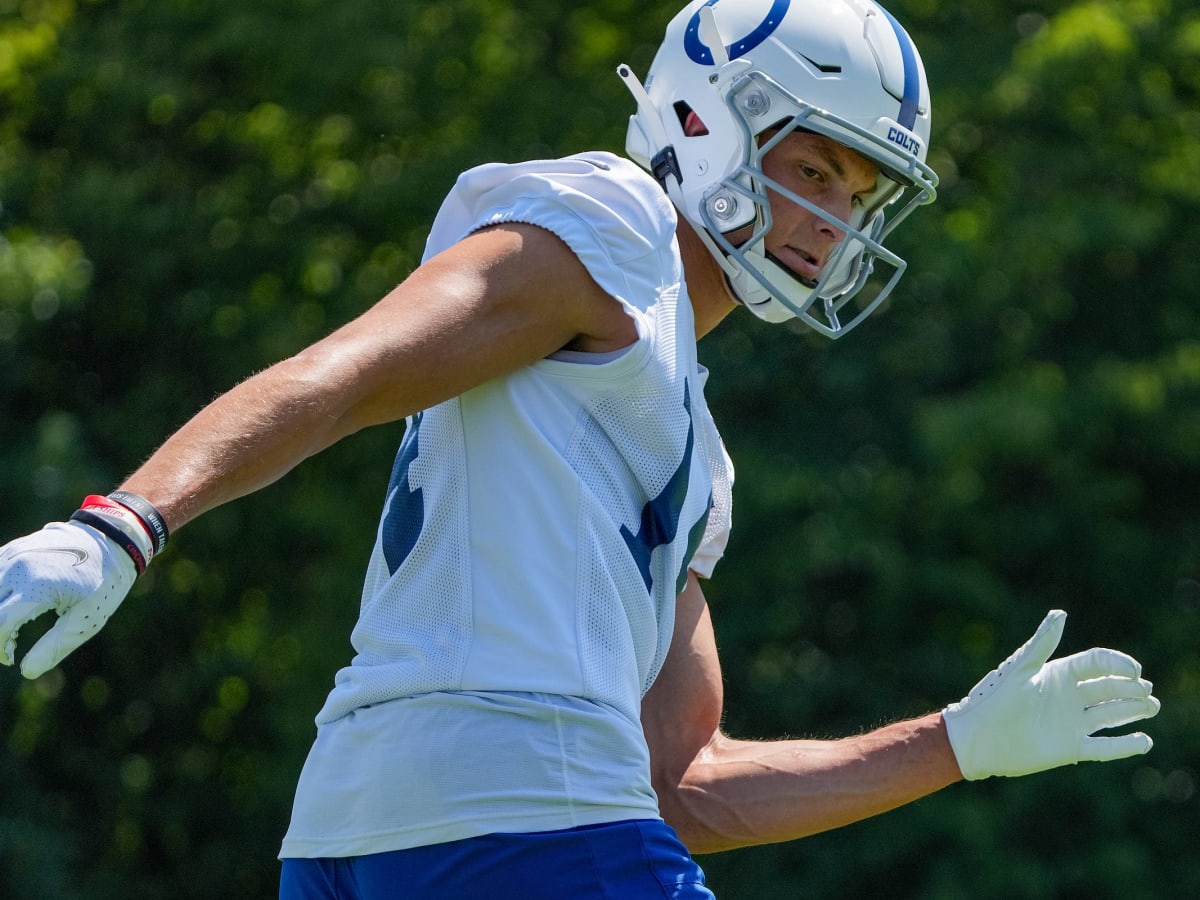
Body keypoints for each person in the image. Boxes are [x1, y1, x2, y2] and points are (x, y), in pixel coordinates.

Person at [0, 1, 1161, 897]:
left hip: (355, 836)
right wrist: (126, 522)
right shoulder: (612, 223)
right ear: (700, 120)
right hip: (523, 813)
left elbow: (681, 786)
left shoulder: (693, 449)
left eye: (859, 197)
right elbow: (347, 369)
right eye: (813, 171)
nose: (832, 225)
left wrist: (953, 745)